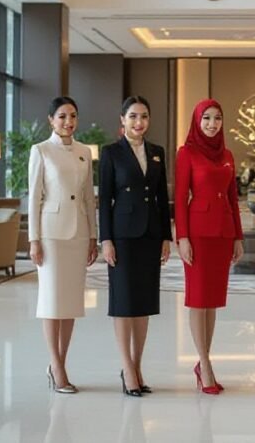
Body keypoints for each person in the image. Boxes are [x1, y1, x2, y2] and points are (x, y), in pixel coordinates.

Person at [99, 96, 172, 397]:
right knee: (123, 304)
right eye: (132, 117)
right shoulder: (110, 152)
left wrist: (166, 236)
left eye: (143, 116)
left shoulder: (157, 152)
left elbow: (160, 197)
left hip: (150, 235)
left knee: (143, 305)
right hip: (123, 236)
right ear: (122, 120)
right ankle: (127, 368)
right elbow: (104, 198)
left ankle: (137, 367)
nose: (138, 122)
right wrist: (106, 239)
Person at [28, 96, 98, 394]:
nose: (68, 121)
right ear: (50, 120)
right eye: (62, 116)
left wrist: (93, 235)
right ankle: (56, 367)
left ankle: (60, 363)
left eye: (72, 116)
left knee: (70, 304)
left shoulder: (84, 151)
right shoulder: (41, 151)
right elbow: (34, 197)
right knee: (51, 302)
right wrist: (33, 239)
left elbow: (87, 198)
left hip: (79, 234)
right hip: (51, 234)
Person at [175, 99, 244, 395]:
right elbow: (179, 199)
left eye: (217, 118)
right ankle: (205, 363)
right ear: (197, 121)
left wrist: (238, 236)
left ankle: (204, 361)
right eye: (206, 119)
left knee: (213, 301)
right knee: (198, 299)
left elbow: (233, 198)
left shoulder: (227, 154)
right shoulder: (186, 153)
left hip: (223, 233)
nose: (212, 124)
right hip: (198, 234)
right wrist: (183, 237)